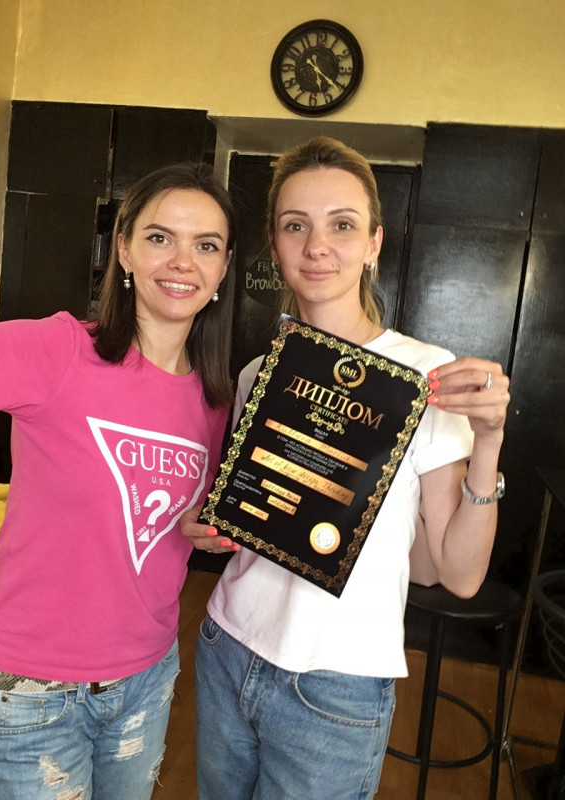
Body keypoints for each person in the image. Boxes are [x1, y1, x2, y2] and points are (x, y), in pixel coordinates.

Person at [182, 136, 510, 800]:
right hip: (228, 645)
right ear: (275, 246)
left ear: (374, 243)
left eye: (342, 225)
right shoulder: (258, 374)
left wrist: (489, 442)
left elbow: (453, 574)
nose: (316, 246)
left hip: (336, 683)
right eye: (295, 226)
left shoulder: (425, 376)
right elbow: (252, 512)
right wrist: (209, 524)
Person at [0, 162, 239, 800]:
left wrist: (197, 527)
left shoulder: (216, 400)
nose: (182, 261)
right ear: (124, 250)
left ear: (224, 268)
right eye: (159, 237)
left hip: (146, 676)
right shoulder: (62, 349)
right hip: (32, 688)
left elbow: (161, 516)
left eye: (206, 245)